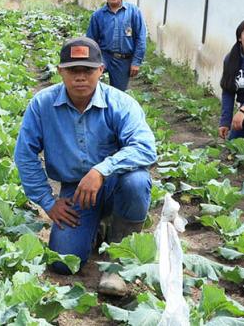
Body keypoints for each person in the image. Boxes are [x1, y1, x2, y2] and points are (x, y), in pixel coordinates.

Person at [14, 36, 156, 296]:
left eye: (87, 70)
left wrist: (101, 170)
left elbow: (145, 148)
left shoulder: (120, 103)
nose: (80, 77)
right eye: (72, 70)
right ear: (60, 72)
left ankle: (119, 263)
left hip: (117, 185)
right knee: (63, 263)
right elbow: (24, 154)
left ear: (101, 71)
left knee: (136, 181)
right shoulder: (42, 105)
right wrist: (48, 202)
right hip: (77, 191)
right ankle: (96, 229)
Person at [86, 0, 147, 91]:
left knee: (118, 94)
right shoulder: (98, 15)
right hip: (103, 56)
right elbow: (90, 40)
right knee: (90, 83)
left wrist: (136, 62)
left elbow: (141, 38)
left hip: (123, 59)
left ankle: (112, 107)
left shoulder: (133, 12)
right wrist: (90, 61)